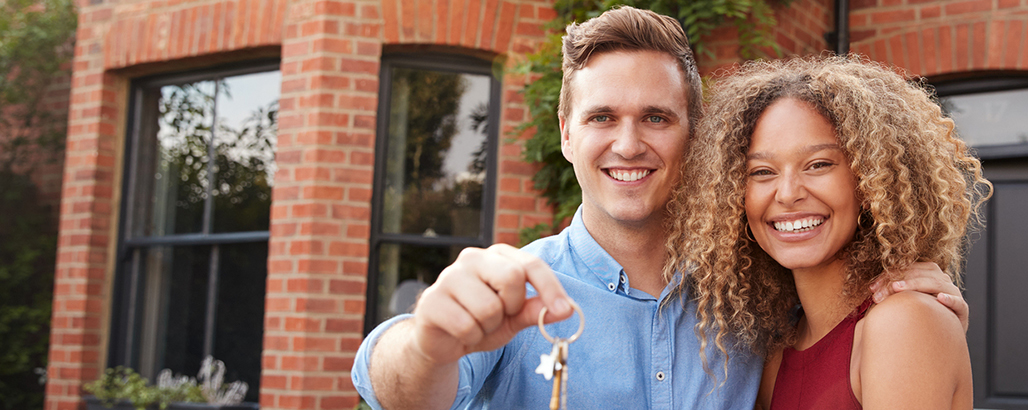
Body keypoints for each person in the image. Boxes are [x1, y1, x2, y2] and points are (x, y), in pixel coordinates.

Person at [352, 8, 969, 410]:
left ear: (695, 137)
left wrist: (918, 314)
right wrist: (427, 345)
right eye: (601, 118)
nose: (628, 144)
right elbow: (400, 391)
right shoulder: (520, 292)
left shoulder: (756, 303)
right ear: (567, 134)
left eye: (656, 117)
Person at [667, 55, 986, 409]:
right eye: (761, 171)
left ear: (869, 182)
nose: (788, 193)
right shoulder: (776, 355)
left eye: (818, 165)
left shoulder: (904, 322)